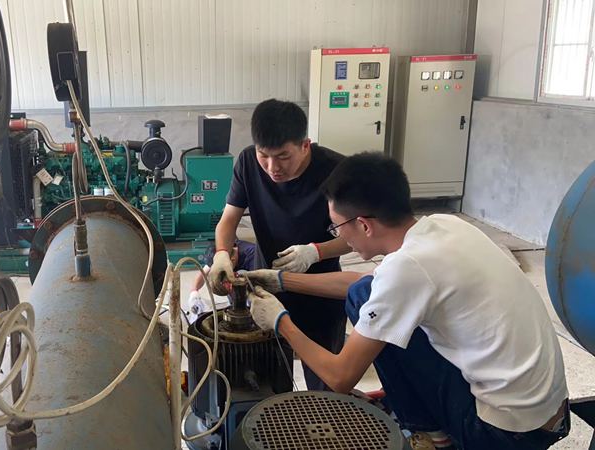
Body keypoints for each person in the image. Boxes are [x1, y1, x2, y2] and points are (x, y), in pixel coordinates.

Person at [245, 152, 569, 449]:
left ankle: (430, 435)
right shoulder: (444, 225)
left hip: (503, 432)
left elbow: (340, 377)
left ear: (364, 225)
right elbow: (367, 285)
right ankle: (426, 414)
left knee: (365, 303)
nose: (339, 236)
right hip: (547, 411)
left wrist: (280, 321)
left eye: (337, 228)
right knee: (364, 294)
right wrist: (281, 280)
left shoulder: (406, 269)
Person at [207, 98, 352, 391]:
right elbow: (228, 219)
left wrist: (316, 252)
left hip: (321, 292)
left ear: (305, 145)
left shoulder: (337, 171)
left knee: (325, 387)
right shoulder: (248, 163)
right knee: (269, 383)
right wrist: (222, 254)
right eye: (264, 155)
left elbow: (357, 236)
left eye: (284, 156)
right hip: (267, 287)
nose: (273, 168)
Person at [187, 240, 257, 320]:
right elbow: (203, 274)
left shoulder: (253, 257)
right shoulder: (220, 255)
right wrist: (194, 293)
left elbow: (261, 284)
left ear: (232, 260)